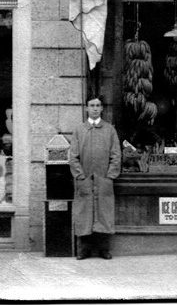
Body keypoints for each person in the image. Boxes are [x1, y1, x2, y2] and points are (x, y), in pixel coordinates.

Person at [69, 95, 121, 260]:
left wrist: (110, 176)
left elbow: (116, 155)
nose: (95, 108)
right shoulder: (79, 130)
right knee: (84, 213)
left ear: (102, 108)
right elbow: (73, 156)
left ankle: (103, 249)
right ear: (86, 108)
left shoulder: (109, 130)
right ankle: (84, 250)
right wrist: (80, 176)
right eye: (92, 105)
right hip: (84, 180)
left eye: (98, 105)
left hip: (103, 180)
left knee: (103, 213)